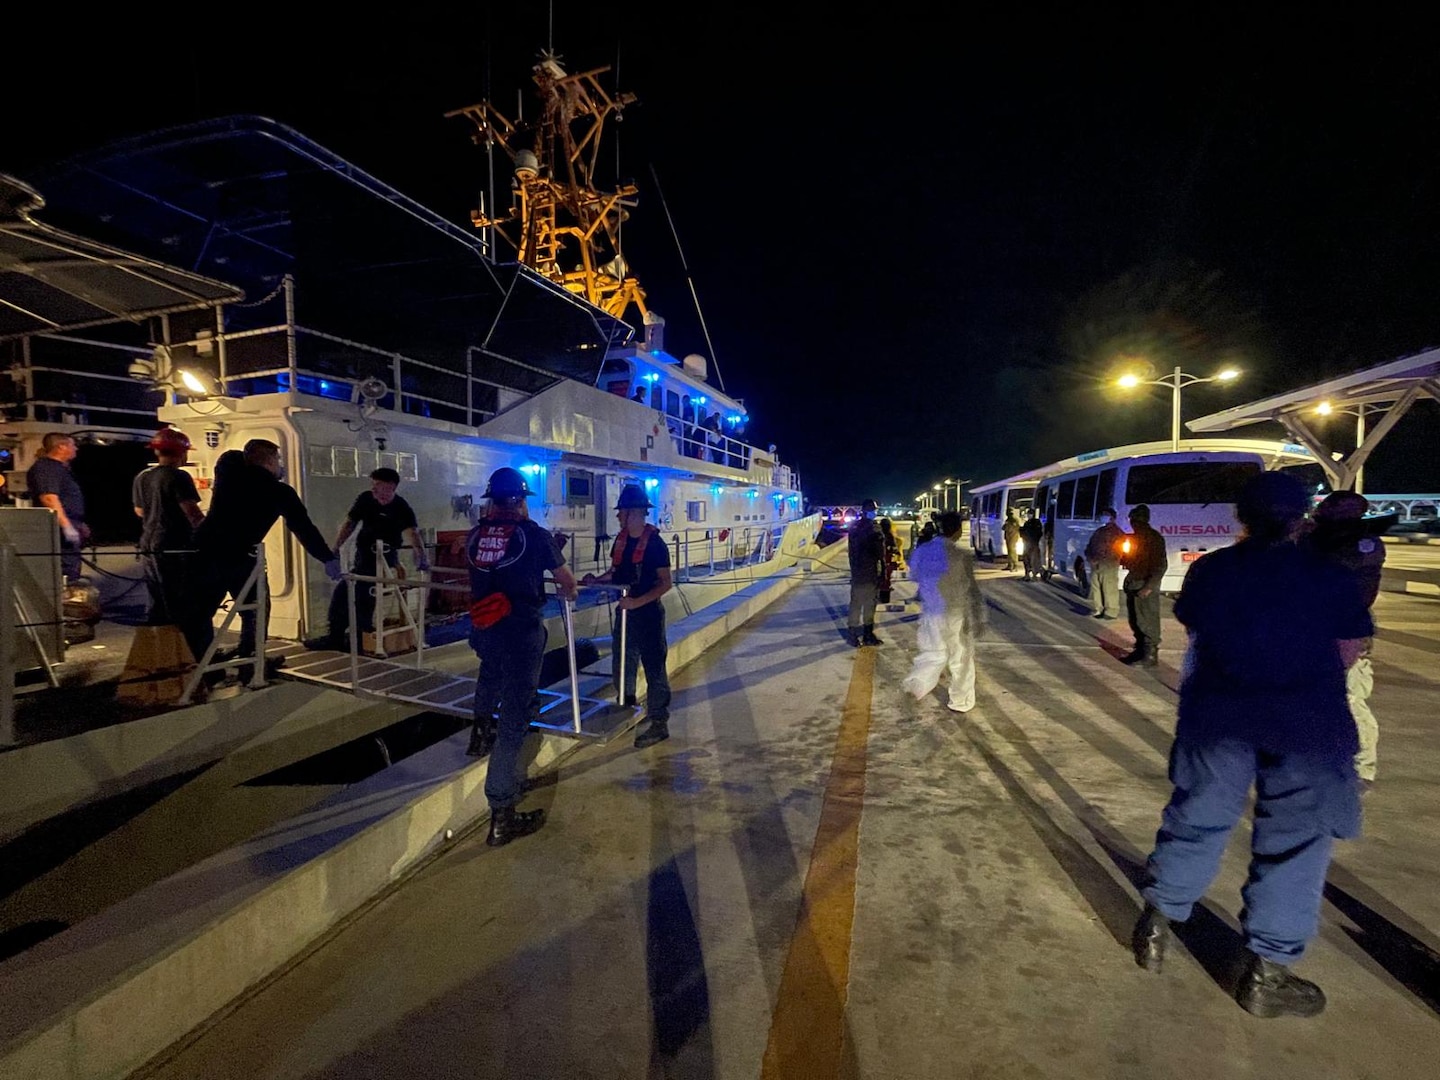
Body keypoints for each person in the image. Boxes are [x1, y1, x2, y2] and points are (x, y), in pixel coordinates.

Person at [1132, 471, 1370, 1019]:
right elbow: (1349, 649)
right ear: (1300, 517)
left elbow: (1196, 636)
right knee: (1295, 844)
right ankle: (1266, 975)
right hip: (1306, 726)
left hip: (1218, 717)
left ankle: (1157, 924)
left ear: (1240, 518)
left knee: (1196, 817)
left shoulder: (1213, 570)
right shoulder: (1328, 576)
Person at [462, 466, 577, 845]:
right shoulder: (533, 535)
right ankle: (501, 814)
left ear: (492, 500)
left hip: (483, 628)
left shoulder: (476, 535)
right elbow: (566, 581)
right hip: (520, 633)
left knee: (489, 674)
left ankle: (479, 732)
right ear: (521, 501)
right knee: (513, 719)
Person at [192, 439, 341, 670]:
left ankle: (202, 663)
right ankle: (251, 661)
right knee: (256, 608)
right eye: (278, 459)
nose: (281, 465)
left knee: (202, 610)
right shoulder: (280, 492)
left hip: (204, 550)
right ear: (270, 460)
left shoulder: (229, 474)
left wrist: (249, 456)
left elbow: (229, 456)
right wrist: (327, 558)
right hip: (240, 556)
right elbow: (304, 529)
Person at [1302, 491, 1396, 787]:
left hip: (1347, 632)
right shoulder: (1315, 539)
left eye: (1330, 509)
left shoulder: (1363, 544)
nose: (1322, 513)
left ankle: (1360, 768)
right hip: (1310, 631)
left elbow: (1338, 575)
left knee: (1351, 699)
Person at [582, 484, 674, 748]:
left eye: (621, 512)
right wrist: (595, 581)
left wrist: (636, 602)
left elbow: (665, 583)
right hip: (626, 614)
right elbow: (616, 572)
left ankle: (659, 722)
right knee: (623, 662)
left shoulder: (655, 544)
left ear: (634, 513)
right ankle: (627, 708)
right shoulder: (621, 541)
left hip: (648, 616)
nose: (618, 516)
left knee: (655, 668)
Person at [315, 467, 430, 650]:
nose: (376, 491)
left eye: (380, 487)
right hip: (364, 554)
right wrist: (336, 549)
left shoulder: (401, 508)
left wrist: (421, 557)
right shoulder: (365, 499)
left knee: (363, 593)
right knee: (345, 593)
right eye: (374, 486)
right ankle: (339, 635)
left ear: (392, 488)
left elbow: (412, 533)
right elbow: (350, 524)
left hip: (385, 555)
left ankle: (360, 637)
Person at [132, 426, 207, 659]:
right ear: (182, 453)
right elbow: (192, 513)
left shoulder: (142, 477)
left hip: (149, 546)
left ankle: (158, 657)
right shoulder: (179, 476)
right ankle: (190, 658)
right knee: (184, 604)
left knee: (157, 604)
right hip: (175, 548)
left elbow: (139, 511)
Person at [902, 511, 985, 712]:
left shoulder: (923, 551)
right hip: (955, 614)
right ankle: (960, 701)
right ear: (957, 530)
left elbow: (914, 575)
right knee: (961, 659)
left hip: (931, 613)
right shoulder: (961, 556)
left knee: (933, 653)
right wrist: (979, 616)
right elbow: (972, 589)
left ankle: (917, 684)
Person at [26, 432, 87, 581]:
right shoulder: (47, 468)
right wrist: (67, 526)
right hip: (57, 532)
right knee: (65, 572)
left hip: (67, 526)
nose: (76, 449)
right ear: (61, 447)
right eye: (73, 445)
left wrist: (78, 524)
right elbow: (49, 498)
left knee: (72, 568)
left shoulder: (59, 469)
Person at [1119, 503, 1167, 666]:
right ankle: (1139, 650)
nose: (1132, 523)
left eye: (1133, 520)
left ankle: (1150, 655)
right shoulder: (1135, 538)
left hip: (1145, 584)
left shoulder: (1153, 538)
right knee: (1136, 620)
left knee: (1148, 620)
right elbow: (1130, 558)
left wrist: (1149, 586)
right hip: (1133, 582)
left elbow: (1160, 565)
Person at [846, 498, 886, 647]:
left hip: (858, 572)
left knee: (857, 604)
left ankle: (855, 635)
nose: (874, 513)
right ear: (867, 511)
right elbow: (880, 554)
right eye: (873, 510)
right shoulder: (874, 529)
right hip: (870, 572)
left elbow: (851, 553)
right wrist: (883, 572)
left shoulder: (854, 527)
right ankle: (866, 634)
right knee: (868, 605)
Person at [1084, 506, 1125, 619]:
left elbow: (1116, 550)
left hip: (1109, 564)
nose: (1103, 517)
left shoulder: (1117, 533)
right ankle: (1099, 609)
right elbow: (1090, 546)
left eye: (1106, 515)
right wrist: (1090, 557)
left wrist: (1101, 559)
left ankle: (1111, 611)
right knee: (1096, 587)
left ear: (1112, 518)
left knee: (1109, 587)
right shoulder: (1099, 531)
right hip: (1095, 563)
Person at [1019, 510, 1043, 581]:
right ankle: (1027, 575)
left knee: (1034, 560)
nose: (1029, 515)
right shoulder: (1027, 523)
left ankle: (1034, 575)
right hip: (1027, 543)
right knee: (1026, 559)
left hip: (1033, 543)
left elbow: (1038, 533)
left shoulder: (1036, 523)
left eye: (1030, 514)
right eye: (1028, 514)